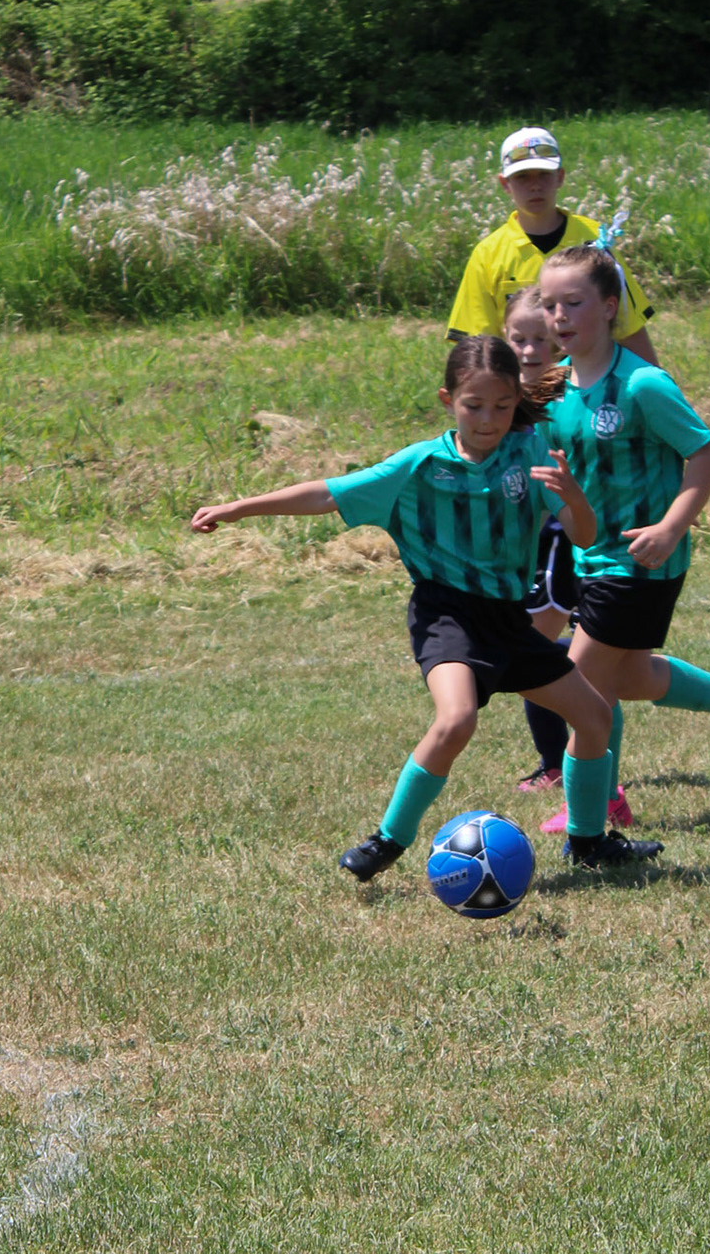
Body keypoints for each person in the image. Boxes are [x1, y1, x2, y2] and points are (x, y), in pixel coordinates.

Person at [190, 336, 663, 876]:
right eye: (474, 406)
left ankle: (588, 843)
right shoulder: (419, 465)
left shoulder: (530, 453)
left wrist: (573, 496)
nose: (488, 420)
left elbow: (584, 536)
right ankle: (387, 840)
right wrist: (239, 508)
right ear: (448, 400)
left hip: (509, 621)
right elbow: (327, 493)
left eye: (502, 406)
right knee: (457, 719)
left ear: (517, 401)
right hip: (447, 616)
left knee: (594, 717)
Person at [533, 245, 710, 843]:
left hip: (642, 561)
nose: (559, 316)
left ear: (610, 306)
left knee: (579, 684)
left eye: (573, 302)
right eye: (549, 304)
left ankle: (596, 812)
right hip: (591, 557)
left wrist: (671, 527)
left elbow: (706, 456)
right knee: (628, 679)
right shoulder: (556, 390)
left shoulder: (642, 384)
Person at [504, 288, 634, 832]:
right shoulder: (502, 395)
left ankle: (574, 773)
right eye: (519, 338)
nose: (531, 349)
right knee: (611, 669)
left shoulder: (567, 393)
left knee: (541, 656)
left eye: (541, 338)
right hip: (533, 545)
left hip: (573, 542)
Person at [446, 126, 659, 366]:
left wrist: (656, 384)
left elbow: (628, 326)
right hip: (522, 382)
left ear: (560, 176)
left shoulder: (595, 241)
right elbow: (477, 348)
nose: (535, 186)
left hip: (591, 380)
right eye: (522, 176)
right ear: (505, 183)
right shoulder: (488, 254)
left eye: (544, 174)